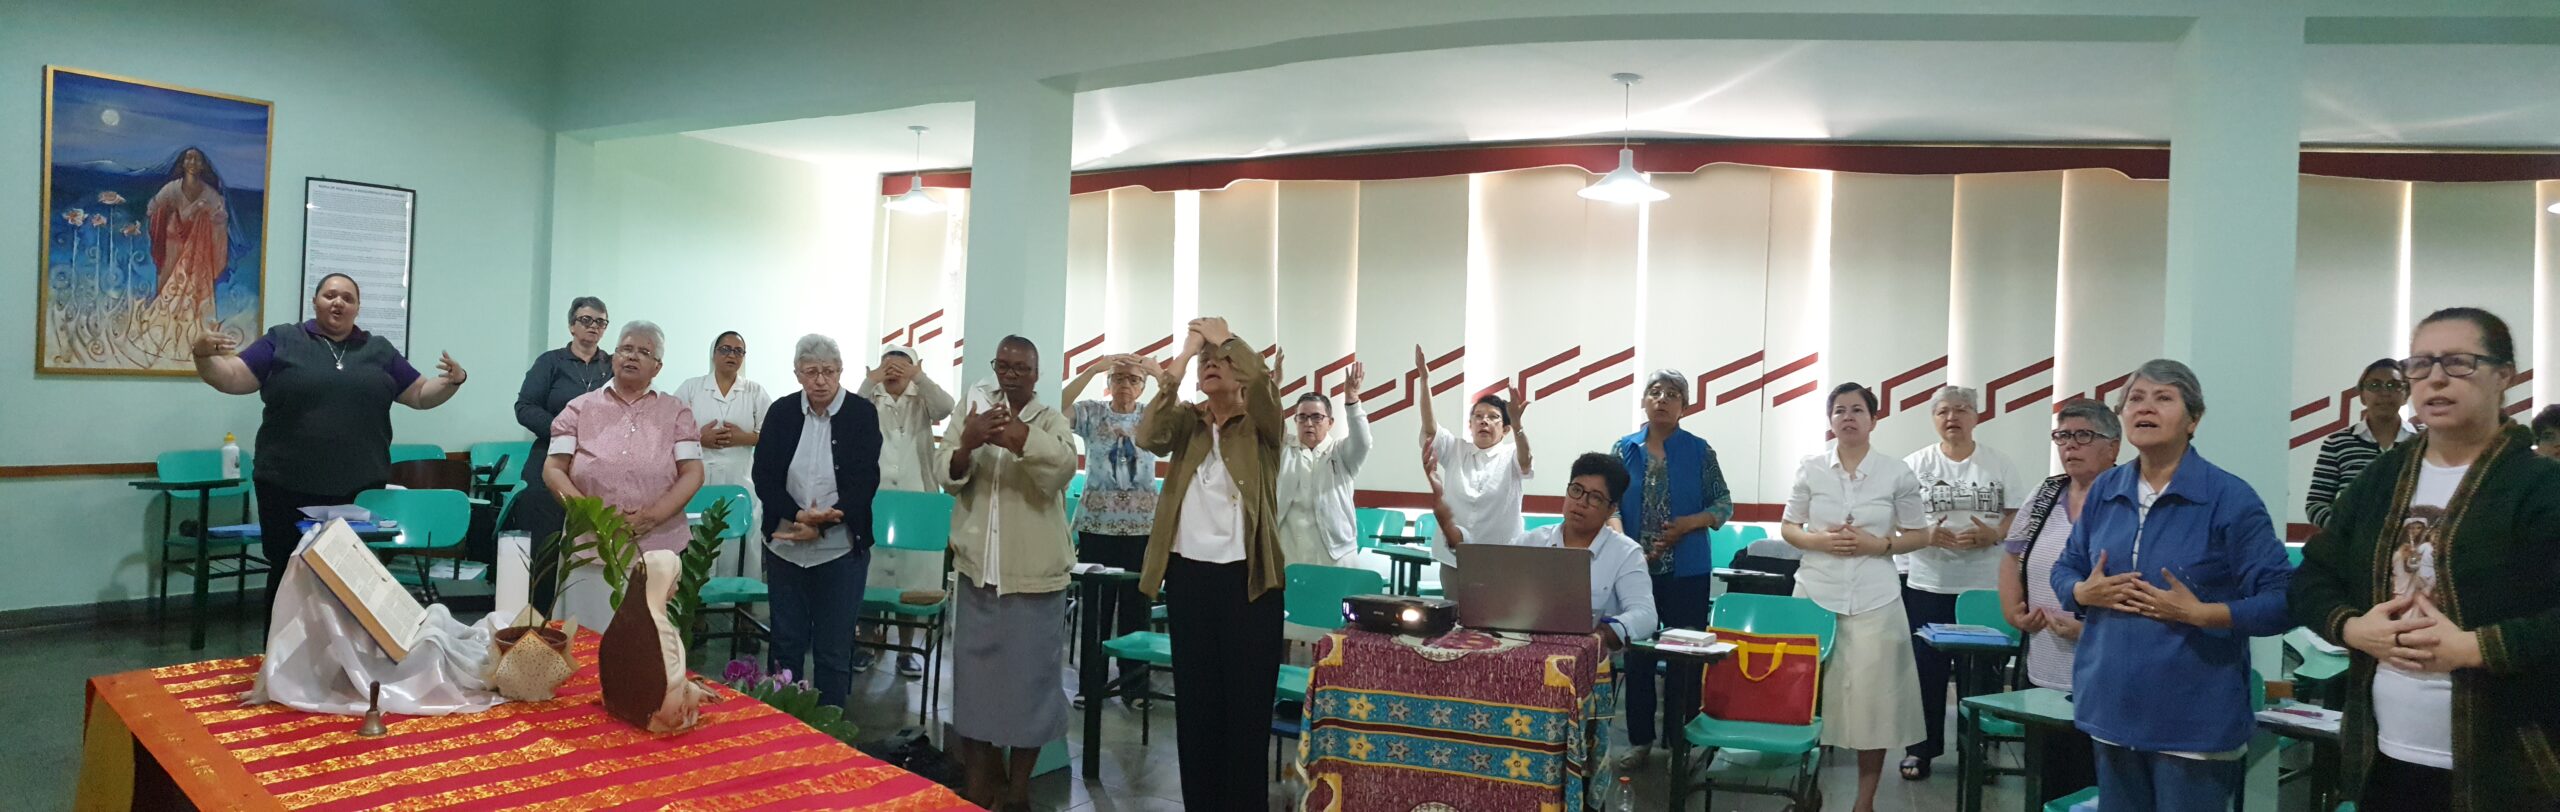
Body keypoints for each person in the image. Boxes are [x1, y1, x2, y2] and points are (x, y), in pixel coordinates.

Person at [2291, 308, 2560, 811]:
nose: (2436, 377)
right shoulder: (2381, 479)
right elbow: (2311, 577)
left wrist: (2477, 647)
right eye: (2420, 364)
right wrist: (2353, 628)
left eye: (2459, 362)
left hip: (2508, 763)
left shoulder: (2539, 486)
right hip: (2382, 754)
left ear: (2504, 376)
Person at [2050, 359, 2293, 812]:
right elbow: (2065, 568)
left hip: (2193, 719)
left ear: (2193, 419)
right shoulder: (2106, 490)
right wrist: (2082, 593)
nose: (2145, 408)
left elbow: (2284, 600)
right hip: (2111, 707)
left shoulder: (2229, 498)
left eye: (2163, 398)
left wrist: (2202, 614)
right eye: (2135, 399)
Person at [189, 273, 466, 603]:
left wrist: (453, 381)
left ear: (357, 308)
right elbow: (231, 377)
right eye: (330, 295)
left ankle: (347, 641)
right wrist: (203, 356)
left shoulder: (379, 350)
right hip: (285, 486)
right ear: (315, 301)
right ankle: (283, 639)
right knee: (289, 575)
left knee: (353, 579)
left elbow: (420, 394)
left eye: (348, 298)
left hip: (360, 490)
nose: (339, 302)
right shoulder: (282, 339)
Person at [1136, 317, 1287, 810]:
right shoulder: (1189, 423)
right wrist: (1184, 356)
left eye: (1222, 360)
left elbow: (1262, 383)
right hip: (1189, 578)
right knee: (1197, 709)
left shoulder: (1262, 425)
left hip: (1249, 582)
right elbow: (1148, 435)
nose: (1211, 365)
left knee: (1246, 712)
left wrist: (1224, 339)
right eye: (1207, 362)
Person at [939, 336, 1077, 812]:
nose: (1011, 374)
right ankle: (979, 785)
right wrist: (969, 442)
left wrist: (1019, 438)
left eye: (1021, 367)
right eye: (1003, 365)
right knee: (974, 691)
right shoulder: (973, 410)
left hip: (1034, 580)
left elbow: (1061, 470)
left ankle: (1018, 792)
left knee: (1029, 692)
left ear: (1036, 374)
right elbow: (945, 473)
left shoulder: (1051, 420)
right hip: (978, 574)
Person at [1779, 382, 1931, 812]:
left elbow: (1919, 534)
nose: (1848, 417)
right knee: (1807, 700)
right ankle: (1806, 788)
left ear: (1873, 420)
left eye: (1857, 410)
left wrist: (1878, 545)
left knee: (1874, 707)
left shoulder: (1896, 472)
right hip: (1815, 594)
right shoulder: (1811, 467)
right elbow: (1789, 527)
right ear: (1830, 421)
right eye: (1840, 410)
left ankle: (1864, 802)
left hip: (1875, 599)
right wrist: (1818, 541)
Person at [1995, 398, 2120, 805]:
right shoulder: (2047, 492)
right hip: (2044, 665)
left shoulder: (2126, 498)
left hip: (2106, 669)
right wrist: (2013, 610)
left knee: (2096, 783)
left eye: (2083, 435)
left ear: (2113, 447)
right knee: (2048, 781)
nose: (2070, 445)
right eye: (2062, 436)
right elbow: (2012, 555)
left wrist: (2090, 629)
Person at [541, 321, 706, 629]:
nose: (632, 356)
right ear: (613, 357)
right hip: (589, 545)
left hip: (657, 546)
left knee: (646, 641)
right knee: (586, 636)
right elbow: (553, 469)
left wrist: (652, 517)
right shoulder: (578, 409)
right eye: (626, 349)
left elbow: (693, 473)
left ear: (657, 367)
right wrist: (588, 513)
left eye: (644, 352)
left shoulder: (677, 412)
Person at [750, 334, 882, 710]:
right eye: (811, 372)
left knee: (833, 649)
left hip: (839, 549)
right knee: (785, 644)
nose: (820, 380)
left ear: (841, 371)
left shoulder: (861, 413)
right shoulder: (781, 412)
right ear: (797, 374)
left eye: (828, 371)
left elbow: (865, 481)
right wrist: (797, 516)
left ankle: (830, 729)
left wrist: (823, 523)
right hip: (786, 545)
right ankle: (780, 727)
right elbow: (764, 476)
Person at [1898, 385, 2024, 780]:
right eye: (1944, 411)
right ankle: (1920, 750)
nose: (1952, 417)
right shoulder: (1914, 465)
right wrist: (1925, 535)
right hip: (1928, 583)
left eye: (1962, 409)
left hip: (1983, 587)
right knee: (1926, 672)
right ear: (1933, 418)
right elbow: (1896, 519)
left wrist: (1994, 534)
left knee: (1982, 674)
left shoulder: (1998, 463)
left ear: (1976, 416)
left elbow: (2016, 515)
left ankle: (1978, 752)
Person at [1610, 369, 1733, 770]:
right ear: (1643, 401)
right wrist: (1624, 543)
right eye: (1655, 391)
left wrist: (1689, 524)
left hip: (1688, 571)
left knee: (1685, 657)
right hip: (1635, 571)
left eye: (1673, 394)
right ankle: (1640, 741)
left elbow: (1723, 505)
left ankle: (1682, 740)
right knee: (1638, 658)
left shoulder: (1700, 451)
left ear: (1685, 406)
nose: (1662, 398)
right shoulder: (1624, 449)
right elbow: (1610, 504)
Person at [1061, 351, 1162, 703]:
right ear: (1109, 383)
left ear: (1143, 386)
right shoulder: (1093, 412)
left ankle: (1134, 687)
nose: (1125, 385)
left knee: (1136, 611)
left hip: (1141, 529)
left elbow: (1182, 415)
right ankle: (1091, 686)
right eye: (1118, 378)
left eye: (1134, 379)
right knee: (1096, 611)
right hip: (1097, 526)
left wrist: (1160, 373)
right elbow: (1054, 407)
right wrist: (1091, 369)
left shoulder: (1151, 415)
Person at [855, 345, 953, 678]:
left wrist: (919, 377)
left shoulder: (921, 395)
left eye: (902, 365)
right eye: (888, 364)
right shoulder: (871, 396)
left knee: (912, 578)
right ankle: (866, 643)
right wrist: (871, 380)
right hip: (874, 496)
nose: (894, 370)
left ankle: (907, 649)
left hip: (915, 498)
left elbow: (946, 407)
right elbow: (848, 413)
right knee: (871, 574)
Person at [513, 297, 614, 611]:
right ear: (572, 325)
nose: (593, 327)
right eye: (586, 320)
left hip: (599, 464)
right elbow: (524, 407)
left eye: (600, 322)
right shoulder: (551, 362)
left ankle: (586, 616)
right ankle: (539, 615)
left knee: (592, 541)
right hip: (550, 458)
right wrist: (564, 431)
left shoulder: (613, 366)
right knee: (546, 542)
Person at [1410, 344, 1533, 588]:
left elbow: (1525, 461)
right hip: (1455, 559)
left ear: (1505, 429)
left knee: (1496, 613)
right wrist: (1424, 380)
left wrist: (1519, 426)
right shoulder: (1456, 449)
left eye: (1493, 417)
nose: (1484, 421)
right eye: (1478, 416)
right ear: (1470, 425)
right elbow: (1431, 427)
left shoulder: (1510, 454)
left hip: (1500, 561)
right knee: (1454, 611)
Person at [1514, 453, 1658, 647]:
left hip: (1591, 658)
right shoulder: (1529, 542)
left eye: (1595, 497)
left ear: (1611, 509)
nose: (1581, 502)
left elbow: (1645, 615)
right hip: (1523, 650)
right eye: (1576, 490)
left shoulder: (1626, 554)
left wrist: (1602, 633)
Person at [672, 331, 771, 581]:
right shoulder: (691, 388)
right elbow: (668, 429)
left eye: (738, 351)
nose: (731, 355)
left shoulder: (754, 391)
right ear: (714, 354)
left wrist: (743, 438)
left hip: (741, 480)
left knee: (739, 545)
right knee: (698, 542)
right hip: (698, 479)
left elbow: (773, 434)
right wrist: (699, 438)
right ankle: (696, 604)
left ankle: (738, 601)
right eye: (725, 349)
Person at [1276, 353, 1373, 569]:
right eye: (1302, 417)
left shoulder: (1341, 452)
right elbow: (1268, 420)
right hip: (1289, 552)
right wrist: (1274, 387)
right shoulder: (1285, 449)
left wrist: (1352, 399)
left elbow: (1363, 441)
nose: (1309, 423)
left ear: (1330, 422)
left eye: (1317, 417)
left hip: (1335, 554)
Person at [2306, 359, 2414, 528]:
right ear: (2362, 396)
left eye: (2394, 385)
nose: (2385, 392)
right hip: (2351, 542)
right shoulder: (2337, 443)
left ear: (2406, 395)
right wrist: (2346, 530)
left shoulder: (2425, 441)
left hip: (2411, 542)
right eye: (2374, 385)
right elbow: (2315, 504)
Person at [147, 147, 229, 324]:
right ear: (182, 163)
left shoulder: (210, 194)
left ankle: (190, 326)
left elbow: (220, 218)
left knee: (194, 289)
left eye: (197, 159)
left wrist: (210, 216)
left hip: (198, 251)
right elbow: (152, 208)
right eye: (188, 158)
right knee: (166, 286)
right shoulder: (172, 189)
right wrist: (167, 212)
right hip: (172, 244)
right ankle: (161, 325)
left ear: (203, 165)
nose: (192, 162)